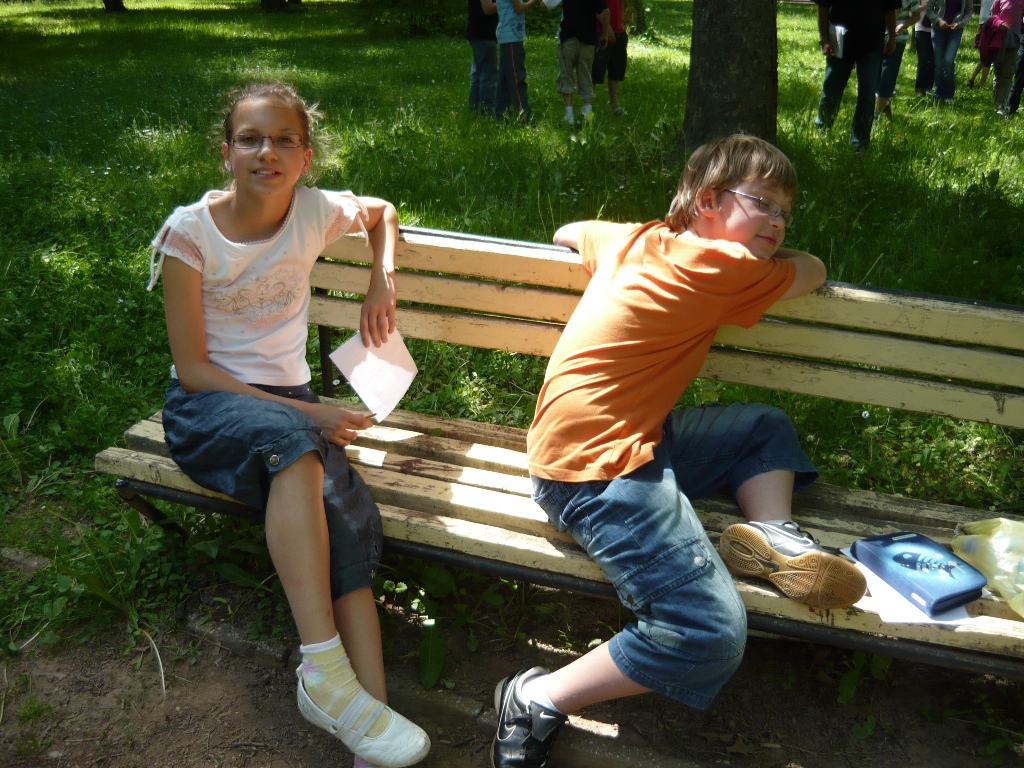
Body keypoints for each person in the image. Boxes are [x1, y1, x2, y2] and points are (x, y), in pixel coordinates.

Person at [490, 135, 867, 768]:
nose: (778, 222)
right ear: (710, 200)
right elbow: (814, 272)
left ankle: (773, 536)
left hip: (618, 436)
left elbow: (569, 231)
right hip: (596, 469)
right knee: (707, 633)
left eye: (785, 213)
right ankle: (536, 697)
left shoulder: (634, 239)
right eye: (764, 203)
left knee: (762, 427)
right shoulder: (730, 266)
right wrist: (781, 254)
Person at [147, 82, 430, 768]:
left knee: (347, 524)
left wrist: (382, 278)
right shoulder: (190, 235)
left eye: (283, 140)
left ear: (306, 157)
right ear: (226, 152)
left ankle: (369, 729)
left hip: (289, 408)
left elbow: (383, 211)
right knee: (293, 444)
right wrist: (311, 414)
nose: (266, 152)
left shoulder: (313, 211)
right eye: (250, 139)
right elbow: (195, 371)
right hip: (209, 409)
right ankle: (323, 670)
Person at [814, 0, 900, 151]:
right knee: (832, 87)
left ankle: (859, 143)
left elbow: (890, 8)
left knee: (867, 93)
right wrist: (824, 39)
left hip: (871, 44)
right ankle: (821, 129)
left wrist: (892, 37)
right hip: (839, 41)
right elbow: (823, 5)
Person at [555, 0, 614, 124]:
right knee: (586, 75)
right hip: (588, 40)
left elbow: (545, 5)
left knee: (566, 74)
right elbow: (606, 11)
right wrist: (604, 34)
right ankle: (588, 112)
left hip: (568, 38)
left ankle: (569, 115)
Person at [875, 0, 926, 120]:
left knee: (888, 74)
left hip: (898, 39)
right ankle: (885, 103)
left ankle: (876, 115)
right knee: (874, 75)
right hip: (876, 37)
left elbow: (916, 15)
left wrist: (904, 25)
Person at [496, 0, 537, 123]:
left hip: (509, 36)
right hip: (511, 38)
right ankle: (524, 117)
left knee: (504, 80)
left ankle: (501, 117)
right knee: (516, 78)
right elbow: (519, 8)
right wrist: (532, 2)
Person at [926, 0, 975, 103]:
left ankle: (948, 94)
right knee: (939, 63)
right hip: (938, 30)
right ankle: (938, 93)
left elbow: (969, 11)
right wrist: (938, 20)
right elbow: (929, 9)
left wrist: (961, 23)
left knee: (948, 60)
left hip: (955, 31)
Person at [591, 0, 629, 115]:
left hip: (619, 32)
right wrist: (607, 28)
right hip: (600, 32)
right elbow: (593, 7)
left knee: (616, 70)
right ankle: (587, 105)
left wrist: (621, 22)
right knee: (595, 70)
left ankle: (615, 105)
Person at [986, 0, 1024, 113]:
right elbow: (993, 17)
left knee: (1007, 73)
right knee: (998, 71)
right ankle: (996, 102)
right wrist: (999, 24)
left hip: (1015, 39)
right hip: (999, 38)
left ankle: (1001, 105)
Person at [468, 0, 500, 117]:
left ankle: (475, 109)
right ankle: (487, 113)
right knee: (488, 76)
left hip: (479, 33)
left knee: (478, 74)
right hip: (484, 34)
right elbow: (488, 9)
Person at [967, 0, 996, 88]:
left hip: (987, 30)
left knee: (984, 59)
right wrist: (998, 20)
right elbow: (984, 17)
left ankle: (971, 80)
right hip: (987, 31)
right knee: (987, 59)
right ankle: (982, 86)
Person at [915, 13, 937, 93]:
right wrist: (925, 7)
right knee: (923, 59)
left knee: (933, 61)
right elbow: (914, 11)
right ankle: (920, 88)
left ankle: (929, 87)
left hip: (937, 29)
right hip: (921, 29)